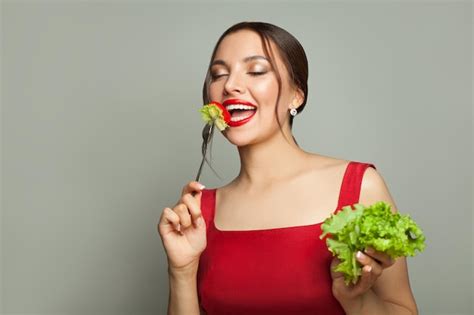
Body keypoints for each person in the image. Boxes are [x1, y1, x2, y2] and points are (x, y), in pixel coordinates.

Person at [158, 21, 418, 315]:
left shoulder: (360, 186)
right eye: (219, 75)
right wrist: (181, 270)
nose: (230, 85)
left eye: (256, 71)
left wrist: (356, 300)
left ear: (297, 94)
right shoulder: (196, 215)